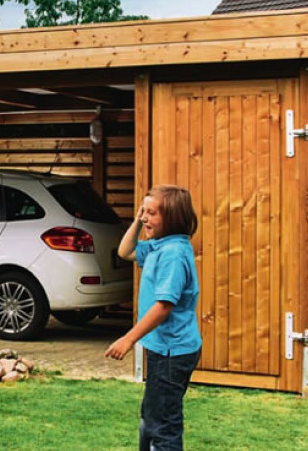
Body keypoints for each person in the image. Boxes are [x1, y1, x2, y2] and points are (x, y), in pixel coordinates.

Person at [105, 185, 202, 451]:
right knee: (151, 419)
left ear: (171, 217)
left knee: (163, 427)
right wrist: (137, 221)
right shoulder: (160, 246)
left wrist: (129, 338)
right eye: (143, 211)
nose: (145, 217)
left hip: (172, 352)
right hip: (164, 350)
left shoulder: (172, 254)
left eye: (151, 213)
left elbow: (163, 306)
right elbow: (125, 252)